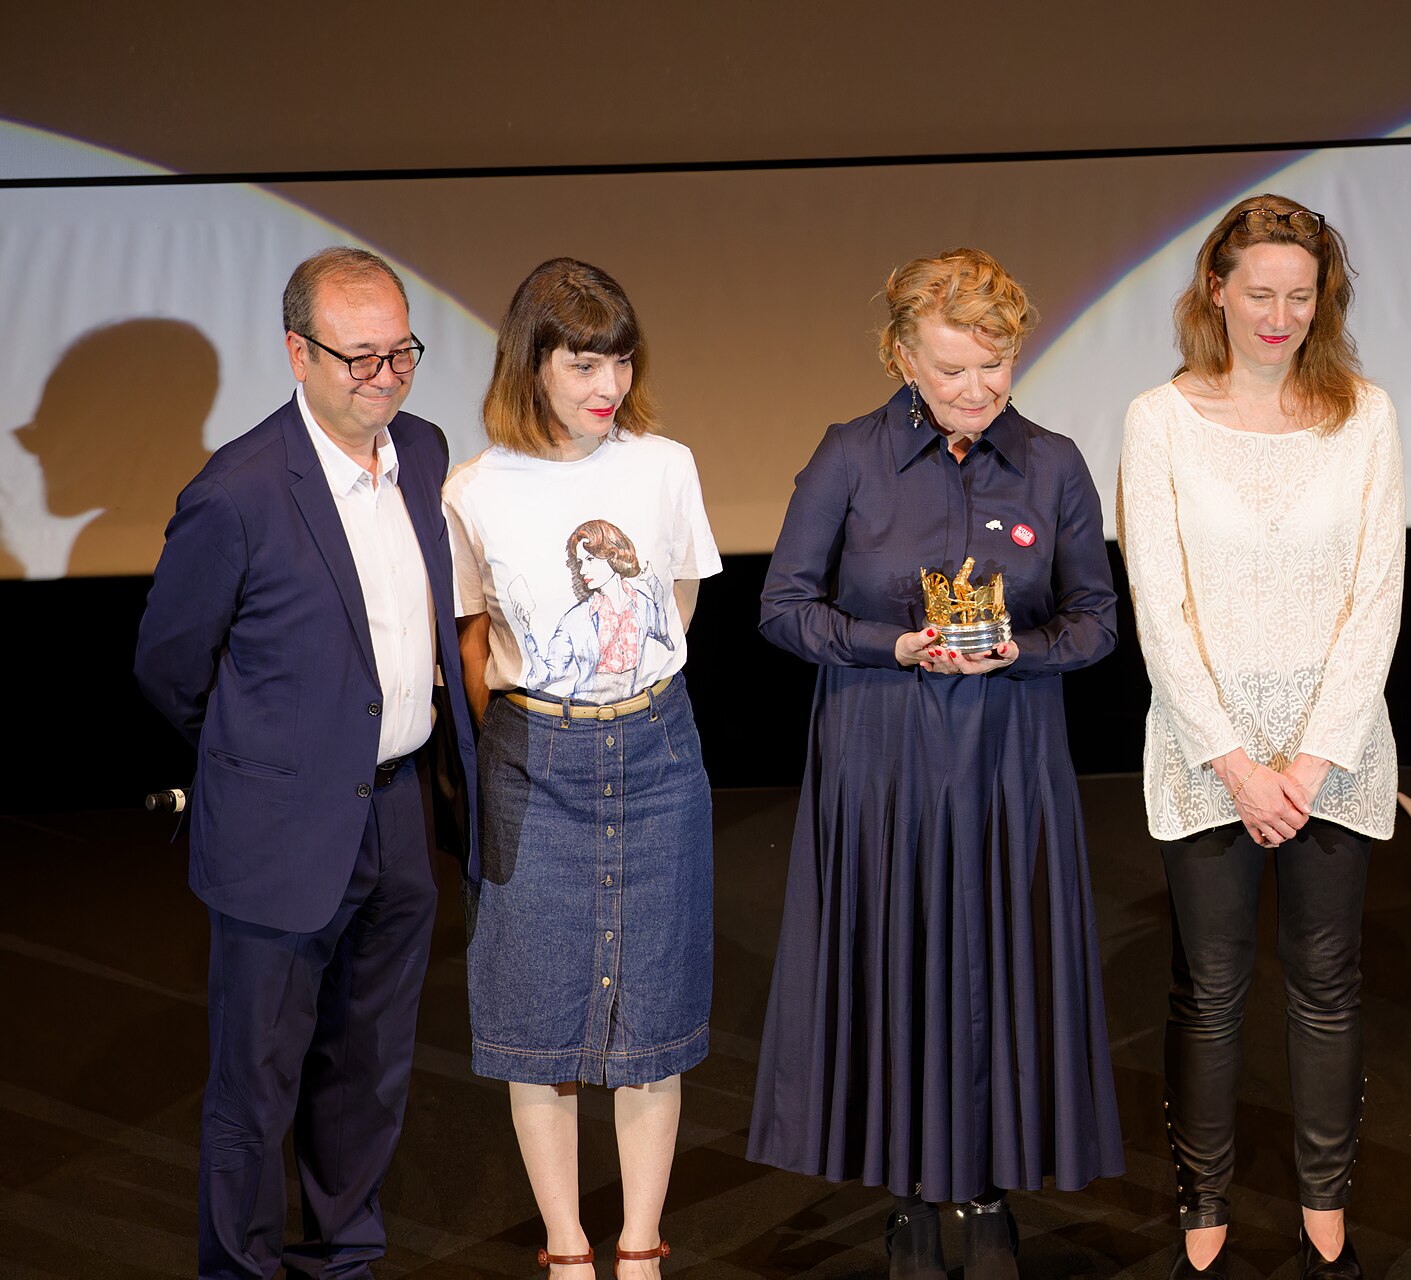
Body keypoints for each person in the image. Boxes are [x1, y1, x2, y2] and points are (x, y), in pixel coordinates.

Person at [748, 247, 1125, 1279]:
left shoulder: (1051, 462)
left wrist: (1027, 651)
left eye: (994, 367)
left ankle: (992, 1187)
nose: (974, 392)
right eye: (951, 369)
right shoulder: (849, 456)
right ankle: (914, 1193)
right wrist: (896, 644)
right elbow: (782, 608)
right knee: (900, 951)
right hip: (882, 752)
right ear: (902, 353)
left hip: (1010, 754)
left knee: (1001, 960)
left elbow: (1097, 618)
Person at [134, 247, 479, 1278]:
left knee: (368, 1070)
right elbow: (168, 663)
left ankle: (344, 1258)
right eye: (360, 358)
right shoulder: (236, 491)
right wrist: (268, 758)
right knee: (257, 1083)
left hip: (401, 813)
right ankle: (239, 1269)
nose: (386, 377)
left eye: (403, 353)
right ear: (298, 351)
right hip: (280, 829)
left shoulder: (421, 448)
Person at [1118, 196, 1404, 1280]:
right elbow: (1161, 602)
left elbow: (1377, 593)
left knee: (1329, 981)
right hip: (1209, 752)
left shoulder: (1365, 413)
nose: (1280, 315)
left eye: (1301, 293)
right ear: (1216, 292)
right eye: (1260, 292)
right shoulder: (1159, 418)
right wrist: (1237, 762)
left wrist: (1314, 757)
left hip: (1335, 744)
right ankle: (1204, 1194)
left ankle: (1327, 1197)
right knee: (1212, 983)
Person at [442, 257, 721, 1278]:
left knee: (652, 1013)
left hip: (654, 750)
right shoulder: (473, 489)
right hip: (534, 756)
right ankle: (566, 1247)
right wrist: (538, 722)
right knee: (536, 1016)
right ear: (534, 362)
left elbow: (676, 605)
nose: (606, 383)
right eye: (582, 361)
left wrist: (625, 695)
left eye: (619, 358)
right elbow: (474, 636)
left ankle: (640, 1244)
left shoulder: (664, 464)